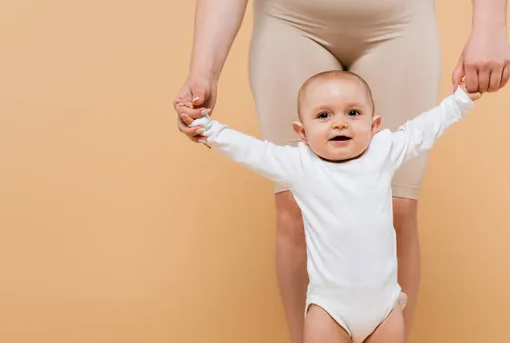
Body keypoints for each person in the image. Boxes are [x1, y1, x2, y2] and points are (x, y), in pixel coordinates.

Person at [173, 0, 510, 342]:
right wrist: (203, 71)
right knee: (294, 210)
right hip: (289, 12)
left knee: (396, 208)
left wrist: (491, 27)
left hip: (397, 8)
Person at [181, 70, 481, 343]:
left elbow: (423, 130)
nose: (339, 122)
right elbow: (249, 151)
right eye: (323, 115)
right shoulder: (299, 164)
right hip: (329, 310)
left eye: (353, 113)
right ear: (302, 132)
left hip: (384, 309)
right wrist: (205, 126)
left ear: (373, 125)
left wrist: (462, 99)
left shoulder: (382, 151)